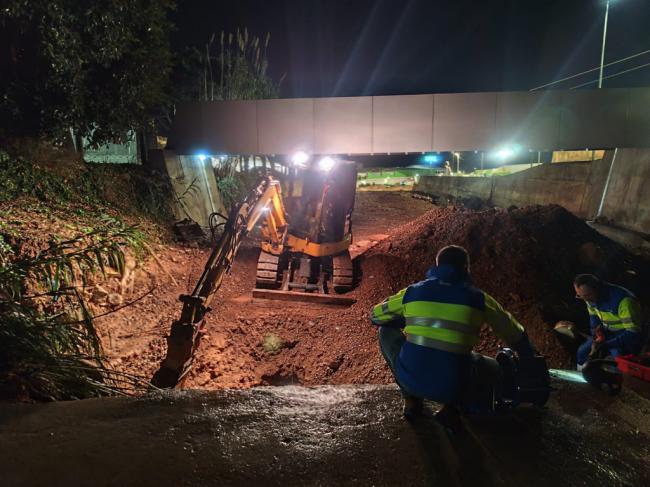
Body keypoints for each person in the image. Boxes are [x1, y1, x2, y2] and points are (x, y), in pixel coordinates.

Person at [370, 245, 535, 430]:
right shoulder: (480, 299)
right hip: (454, 386)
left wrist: (406, 318)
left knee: (385, 330)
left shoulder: (412, 292)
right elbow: (516, 334)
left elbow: (375, 316)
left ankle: (411, 399)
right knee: (493, 367)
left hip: (411, 378)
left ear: (437, 265)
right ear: (466, 268)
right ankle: (452, 408)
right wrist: (529, 357)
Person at [574, 274, 644, 368]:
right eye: (580, 296)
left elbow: (633, 333)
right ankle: (582, 377)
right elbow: (594, 317)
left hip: (625, 335)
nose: (585, 299)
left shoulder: (623, 301)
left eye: (587, 295)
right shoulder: (589, 298)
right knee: (582, 352)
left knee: (617, 359)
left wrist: (606, 345)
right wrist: (596, 334)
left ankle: (615, 378)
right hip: (606, 332)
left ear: (597, 288)